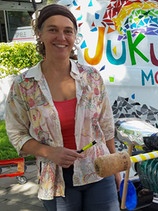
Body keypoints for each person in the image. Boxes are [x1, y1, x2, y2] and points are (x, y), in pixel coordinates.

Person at [4, 4, 120, 211]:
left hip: (98, 169)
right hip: (56, 178)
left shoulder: (91, 77)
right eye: (52, 29)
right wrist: (48, 152)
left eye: (68, 31)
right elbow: (16, 134)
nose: (61, 37)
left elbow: (106, 124)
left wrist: (115, 165)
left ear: (74, 36)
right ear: (39, 34)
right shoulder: (24, 85)